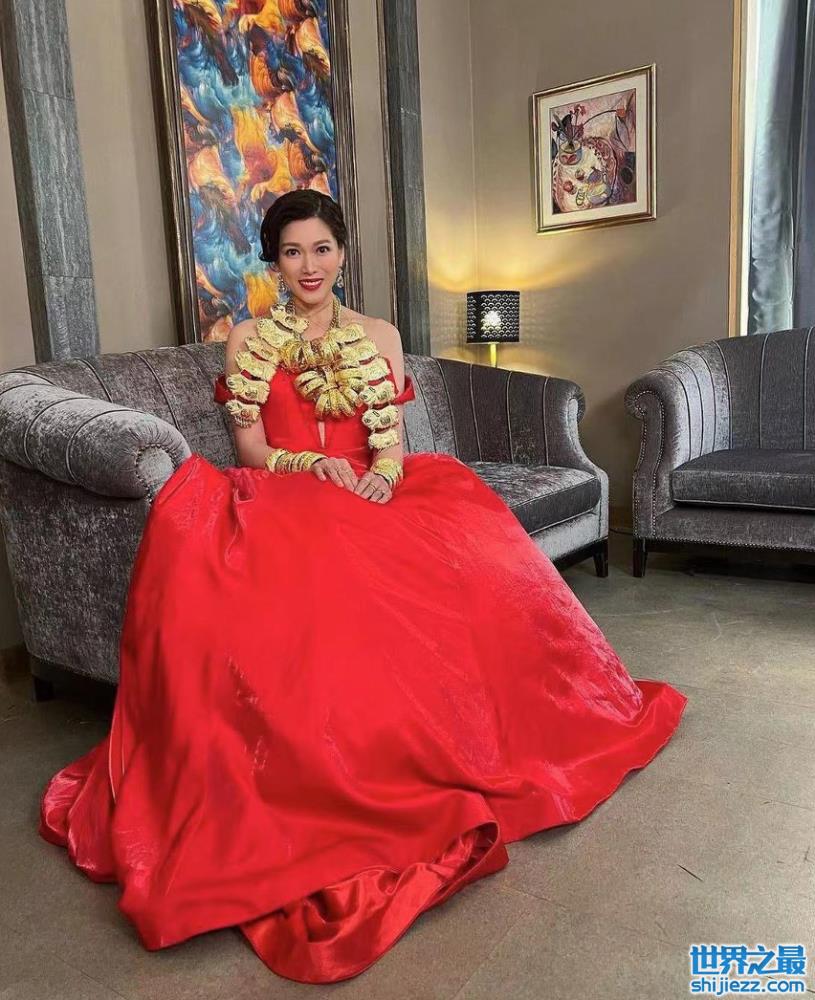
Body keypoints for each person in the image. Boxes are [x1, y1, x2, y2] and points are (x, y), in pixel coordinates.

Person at [40, 191, 686, 985]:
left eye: (320, 249)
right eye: (291, 252)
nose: (307, 266)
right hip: (285, 489)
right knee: (307, 589)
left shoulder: (380, 336)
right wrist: (311, 466)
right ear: (273, 263)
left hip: (378, 490)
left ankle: (480, 738)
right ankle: (332, 777)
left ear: (342, 253)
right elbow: (247, 448)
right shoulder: (246, 339)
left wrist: (381, 473)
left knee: (477, 566)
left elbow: (392, 439)